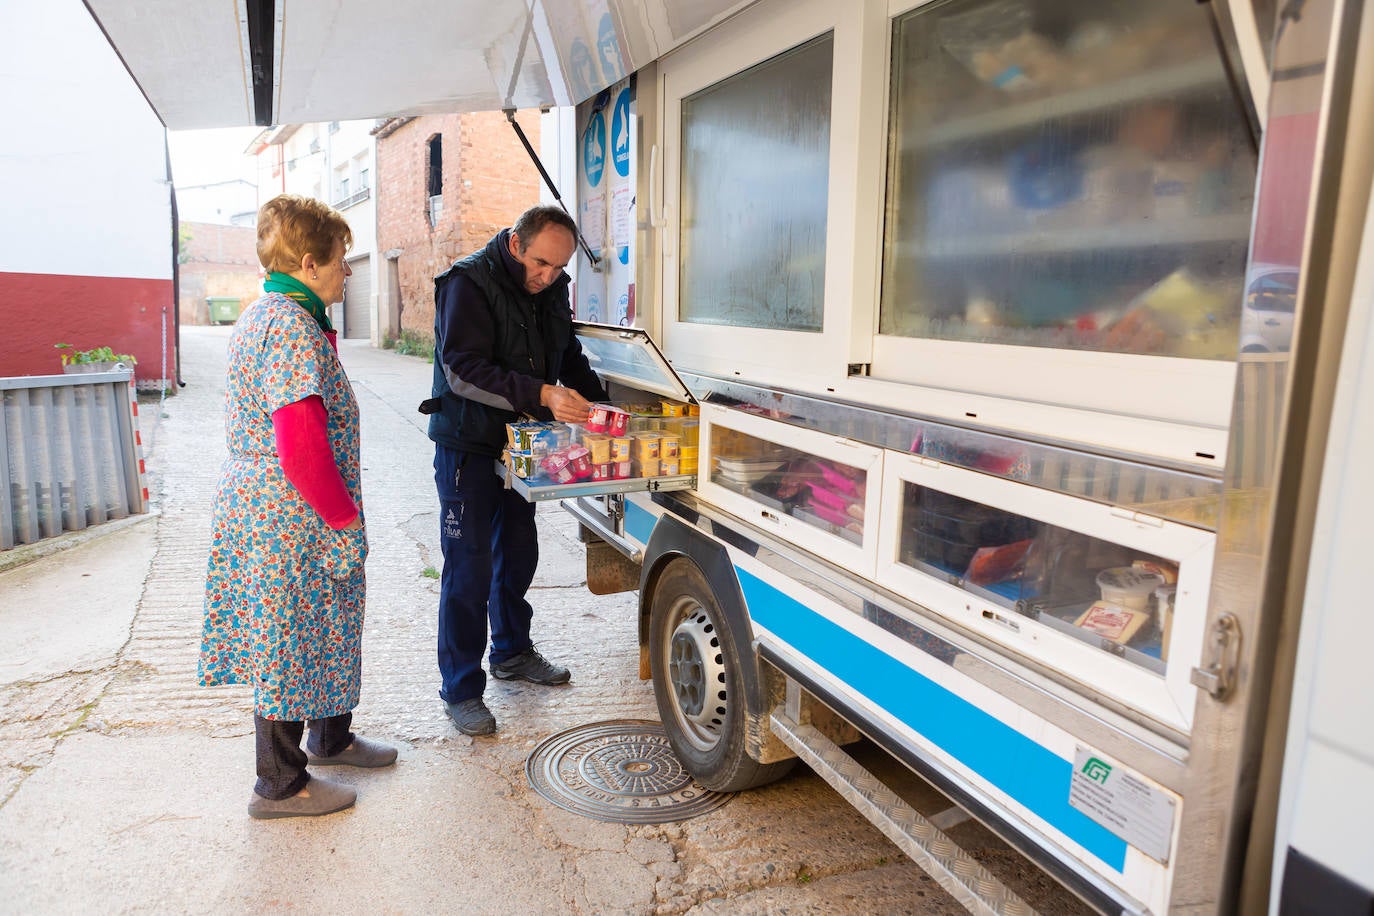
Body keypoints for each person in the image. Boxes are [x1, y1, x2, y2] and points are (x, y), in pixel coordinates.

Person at [200, 194, 396, 820]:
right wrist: (341, 517)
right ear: (310, 264)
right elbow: (301, 442)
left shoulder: (284, 314)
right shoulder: (287, 324)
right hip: (290, 512)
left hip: (283, 507)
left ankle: (331, 736)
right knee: (286, 634)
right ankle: (280, 784)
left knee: (325, 619)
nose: (347, 271)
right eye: (341, 260)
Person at [425, 204, 607, 736]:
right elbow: (462, 369)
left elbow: (567, 356)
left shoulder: (549, 288)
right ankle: (460, 687)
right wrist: (541, 393)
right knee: (468, 567)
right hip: (469, 444)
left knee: (519, 553)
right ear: (514, 245)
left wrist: (602, 408)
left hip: (523, 446)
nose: (548, 277)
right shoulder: (466, 283)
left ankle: (510, 652)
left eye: (558, 268)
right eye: (540, 264)